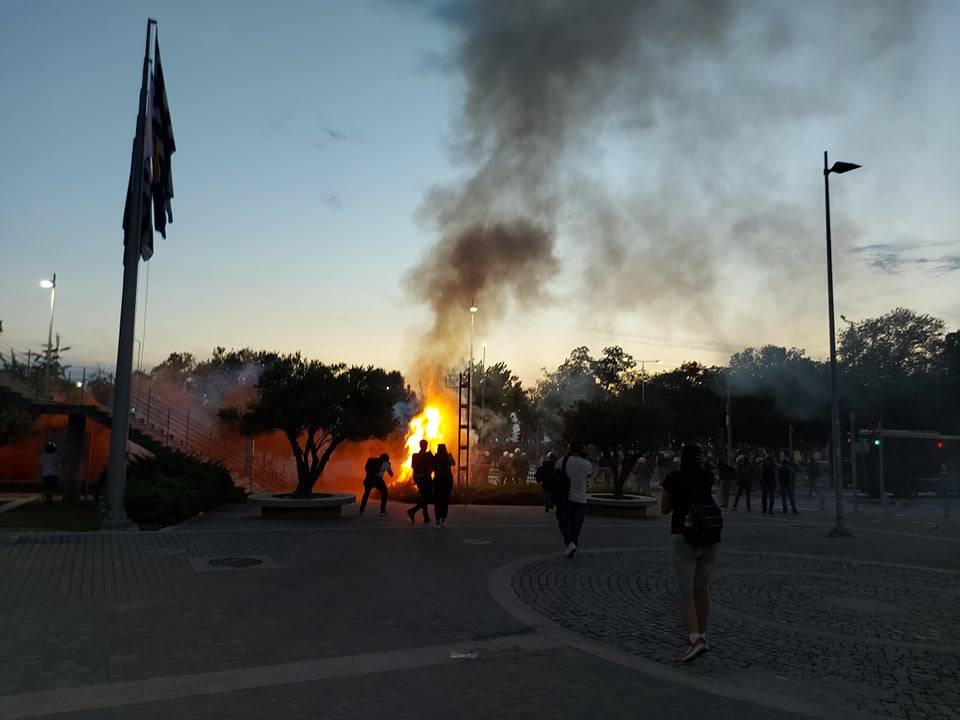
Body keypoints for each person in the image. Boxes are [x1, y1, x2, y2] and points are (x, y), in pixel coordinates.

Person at [660, 444, 721, 663]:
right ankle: (702, 635)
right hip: (709, 537)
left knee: (685, 592)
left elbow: (664, 508)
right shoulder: (707, 476)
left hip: (683, 537)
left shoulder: (673, 478)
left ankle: (694, 640)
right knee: (702, 589)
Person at [554, 440, 592, 558]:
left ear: (570, 449)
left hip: (567, 498)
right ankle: (573, 544)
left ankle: (570, 543)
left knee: (563, 522)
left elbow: (556, 471)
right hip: (581, 499)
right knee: (576, 525)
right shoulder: (587, 463)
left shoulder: (563, 461)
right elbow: (589, 475)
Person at [407, 440, 434, 525]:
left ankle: (426, 517)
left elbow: (413, 467)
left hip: (418, 478)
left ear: (420, 445)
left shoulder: (415, 456)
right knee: (427, 497)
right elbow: (432, 467)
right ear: (426, 446)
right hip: (425, 479)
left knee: (424, 497)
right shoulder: (428, 455)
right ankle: (413, 511)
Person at [432, 443, 455, 527]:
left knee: (438, 501)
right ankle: (443, 518)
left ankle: (438, 519)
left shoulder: (435, 458)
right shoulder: (447, 457)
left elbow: (431, 469)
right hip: (447, 481)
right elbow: (454, 463)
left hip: (438, 481)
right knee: (445, 501)